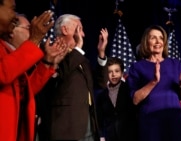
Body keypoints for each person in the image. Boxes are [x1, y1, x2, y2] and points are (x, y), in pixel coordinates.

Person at [0, 0, 68, 140]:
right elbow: (3, 73)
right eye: (12, 9)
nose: (14, 15)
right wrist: (34, 39)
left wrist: (48, 62)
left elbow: (24, 92)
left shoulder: (9, 54)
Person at [126, 25, 181, 141]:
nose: (158, 41)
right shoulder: (137, 67)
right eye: (153, 38)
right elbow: (135, 99)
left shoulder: (175, 64)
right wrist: (154, 81)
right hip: (151, 124)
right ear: (145, 42)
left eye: (161, 38)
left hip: (175, 122)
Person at [48, 14, 109, 141]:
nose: (83, 35)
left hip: (89, 123)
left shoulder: (81, 58)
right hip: (68, 127)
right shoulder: (51, 52)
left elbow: (100, 83)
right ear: (65, 30)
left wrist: (101, 53)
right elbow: (60, 74)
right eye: (79, 29)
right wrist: (78, 48)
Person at [96, 57, 138, 141]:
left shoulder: (129, 89)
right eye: (110, 72)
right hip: (110, 137)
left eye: (116, 71)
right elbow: (100, 119)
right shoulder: (102, 95)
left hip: (130, 136)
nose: (113, 74)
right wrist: (101, 136)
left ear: (122, 73)